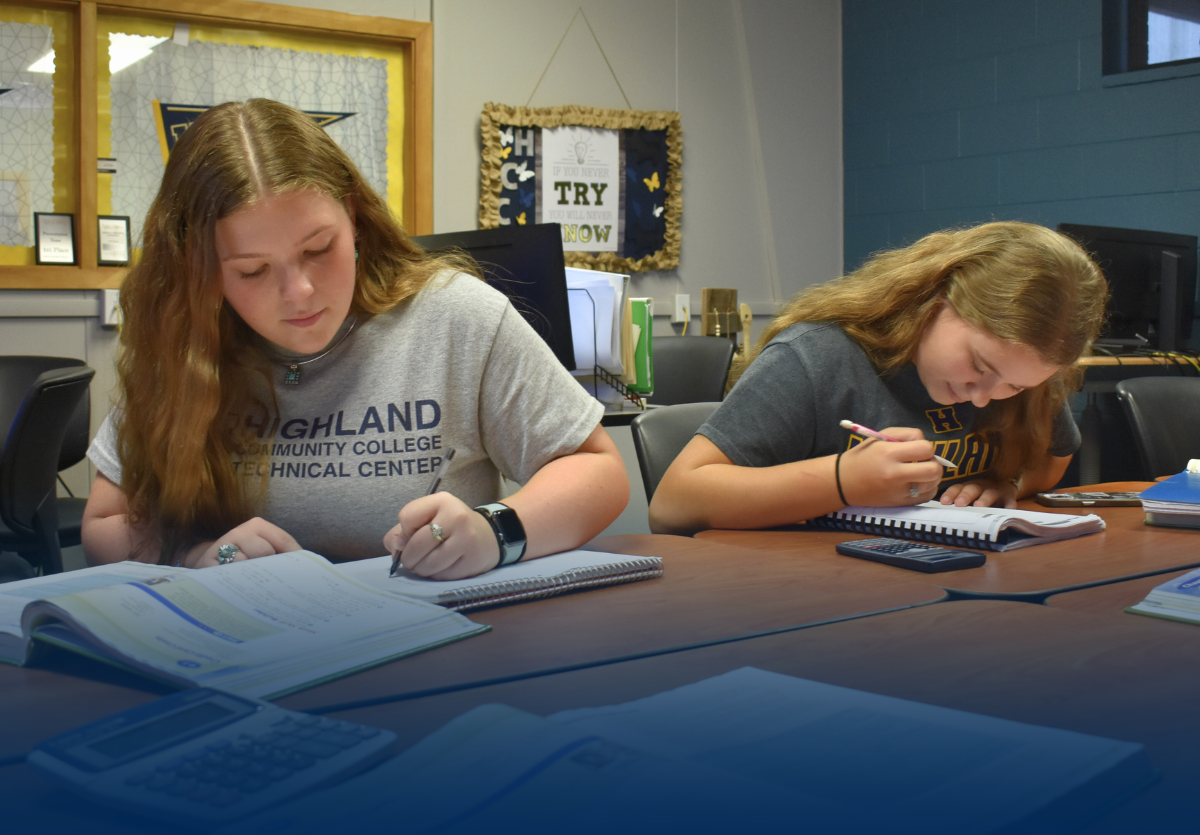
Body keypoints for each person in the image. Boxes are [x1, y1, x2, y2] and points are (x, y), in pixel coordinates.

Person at [82, 99, 628, 577]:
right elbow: (105, 522)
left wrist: (497, 531)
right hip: (241, 656)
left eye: (319, 249)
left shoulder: (456, 318)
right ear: (200, 270)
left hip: (430, 649)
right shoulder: (183, 340)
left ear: (354, 215)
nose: (298, 292)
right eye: (251, 271)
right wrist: (197, 559)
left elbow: (598, 471)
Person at [649, 221, 1107, 535]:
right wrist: (842, 481)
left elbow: (1053, 458)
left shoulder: (1022, 360)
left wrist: (1009, 484)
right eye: (979, 367)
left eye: (1014, 388)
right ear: (938, 298)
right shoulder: (817, 357)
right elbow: (672, 504)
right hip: (807, 596)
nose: (985, 398)